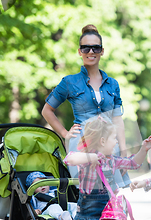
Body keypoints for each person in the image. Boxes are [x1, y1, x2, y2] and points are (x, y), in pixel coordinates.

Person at [42, 24, 130, 188]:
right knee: (86, 196)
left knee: (110, 196)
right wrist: (65, 133)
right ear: (79, 51)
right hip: (81, 146)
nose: (91, 52)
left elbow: (117, 118)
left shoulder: (113, 84)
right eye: (86, 48)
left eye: (95, 48)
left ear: (102, 51)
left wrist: (123, 150)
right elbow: (47, 110)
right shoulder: (69, 82)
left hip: (109, 145)